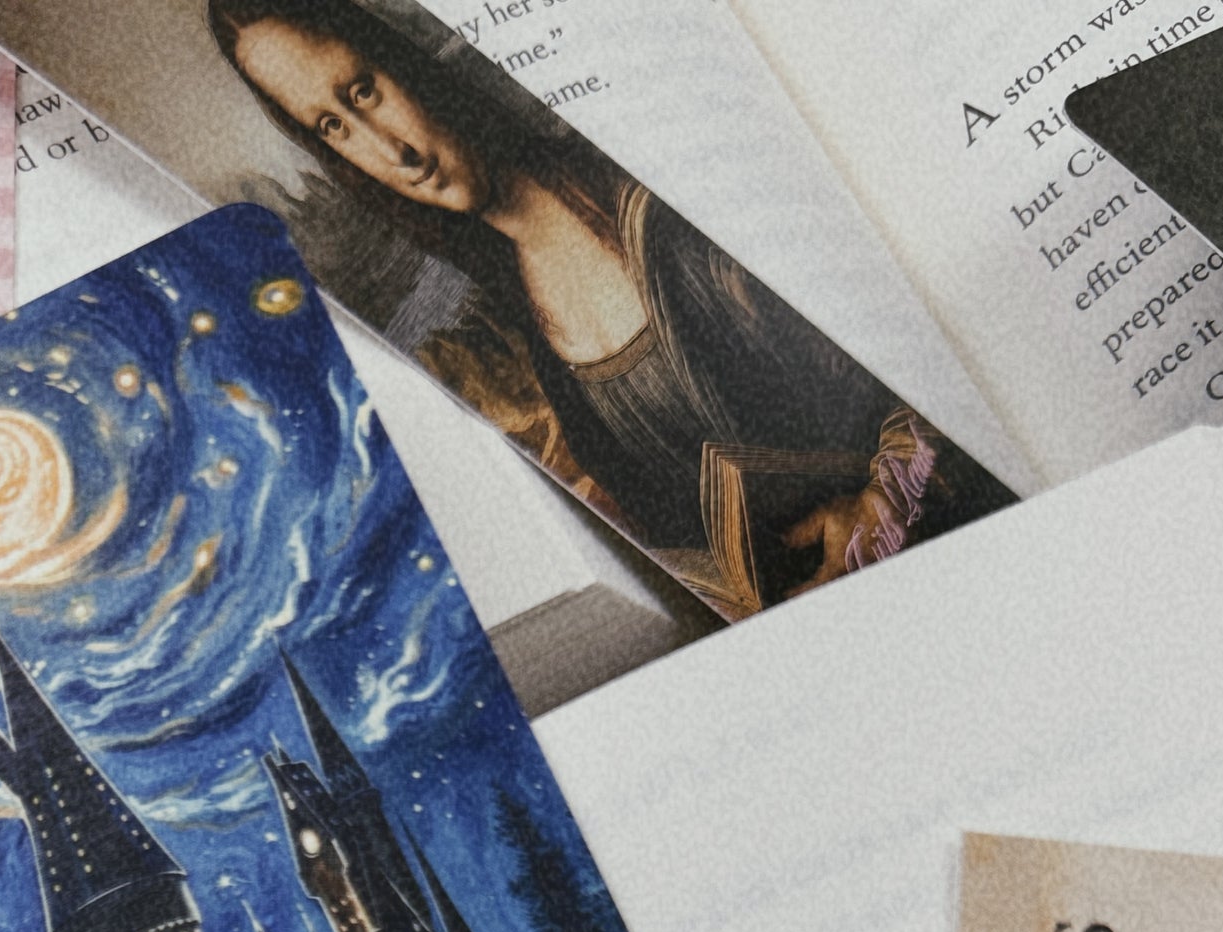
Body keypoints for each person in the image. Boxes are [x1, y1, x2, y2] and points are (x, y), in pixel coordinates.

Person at [208, 0, 1010, 615]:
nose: (394, 152)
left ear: (402, 60)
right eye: (334, 126)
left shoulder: (644, 194)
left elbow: (932, 330)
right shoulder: (524, 322)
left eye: (364, 90)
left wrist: (887, 500)